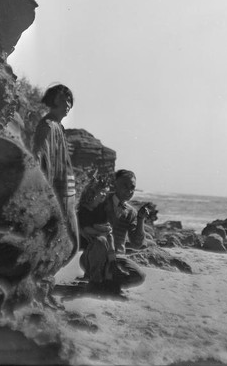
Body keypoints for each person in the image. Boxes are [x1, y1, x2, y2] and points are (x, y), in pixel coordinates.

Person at [79, 169, 150, 294]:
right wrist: (84, 231)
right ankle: (95, 283)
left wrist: (140, 219)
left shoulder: (131, 212)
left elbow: (137, 244)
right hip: (94, 256)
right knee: (101, 242)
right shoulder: (100, 200)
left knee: (139, 277)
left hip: (118, 259)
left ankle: (107, 283)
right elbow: (80, 218)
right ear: (114, 184)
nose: (129, 190)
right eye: (125, 186)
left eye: (132, 187)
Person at [33, 84, 79, 253]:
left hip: (68, 192)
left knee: (68, 241)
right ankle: (41, 276)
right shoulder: (47, 126)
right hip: (59, 192)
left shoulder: (58, 127)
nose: (67, 104)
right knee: (69, 243)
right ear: (52, 100)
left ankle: (43, 275)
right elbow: (38, 154)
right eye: (63, 99)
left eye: (69, 100)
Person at [77, 176, 116, 282]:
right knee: (101, 240)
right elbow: (86, 229)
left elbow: (104, 225)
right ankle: (94, 280)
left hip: (101, 252)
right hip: (88, 256)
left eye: (106, 192)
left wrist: (106, 229)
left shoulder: (101, 209)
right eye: (102, 191)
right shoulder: (84, 209)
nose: (105, 195)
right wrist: (101, 231)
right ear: (93, 191)